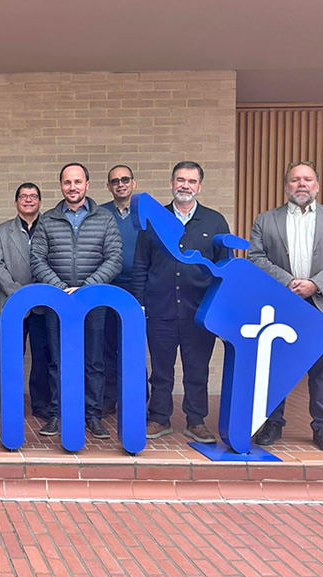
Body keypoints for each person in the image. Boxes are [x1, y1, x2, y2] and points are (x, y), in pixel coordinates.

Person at [249, 161, 323, 453]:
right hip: (282, 303)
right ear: (286, 186)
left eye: (307, 179)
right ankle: (272, 423)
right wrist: (288, 282)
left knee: (322, 371)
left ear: (317, 186)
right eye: (295, 179)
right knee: (276, 368)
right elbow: (256, 257)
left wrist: (315, 284)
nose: (301, 184)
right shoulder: (266, 220)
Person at [133, 161, 230, 444]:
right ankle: (159, 418)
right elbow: (141, 265)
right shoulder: (154, 220)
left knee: (197, 370)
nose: (185, 185)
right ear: (171, 183)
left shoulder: (215, 221)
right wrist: (140, 304)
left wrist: (219, 309)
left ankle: (196, 421)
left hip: (199, 312)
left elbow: (225, 269)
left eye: (191, 181)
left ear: (199, 186)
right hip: (160, 309)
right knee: (161, 369)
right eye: (180, 180)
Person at [30, 163, 122, 440]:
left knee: (94, 361)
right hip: (58, 302)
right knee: (57, 361)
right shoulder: (48, 220)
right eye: (67, 182)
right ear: (61, 186)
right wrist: (61, 290)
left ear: (87, 185)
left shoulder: (105, 218)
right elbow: (37, 259)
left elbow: (114, 258)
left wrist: (85, 289)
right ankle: (56, 413)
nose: (73, 187)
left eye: (77, 182)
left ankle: (93, 416)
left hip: (93, 302)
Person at [0, 182, 51, 422]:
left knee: (43, 357)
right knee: (12, 357)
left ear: (40, 201)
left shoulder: (50, 228)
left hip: (43, 306)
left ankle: (41, 404)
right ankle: (12, 403)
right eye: (23, 196)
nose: (28, 200)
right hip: (12, 304)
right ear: (16, 202)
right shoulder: (1, 232)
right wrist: (20, 296)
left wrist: (36, 295)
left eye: (33, 196)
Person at [99, 165, 141, 417]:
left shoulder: (145, 214)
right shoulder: (100, 213)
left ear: (134, 183)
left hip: (138, 288)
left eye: (125, 179)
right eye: (115, 181)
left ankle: (137, 400)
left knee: (134, 345)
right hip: (107, 286)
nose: (120, 184)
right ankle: (108, 398)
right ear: (109, 186)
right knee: (106, 345)